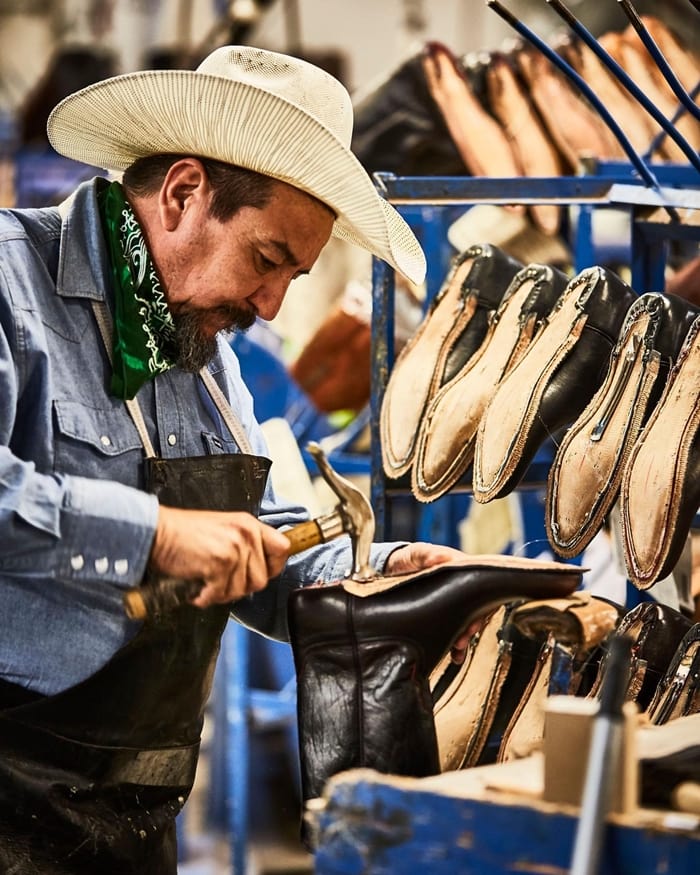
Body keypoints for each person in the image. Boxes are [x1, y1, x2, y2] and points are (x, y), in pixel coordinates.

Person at [0, 45, 471, 873]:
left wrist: (373, 571)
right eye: (266, 259)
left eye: (294, 274)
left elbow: (250, 541)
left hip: (134, 821)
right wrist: (152, 536)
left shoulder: (202, 346)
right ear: (183, 193)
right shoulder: (11, 281)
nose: (271, 305)